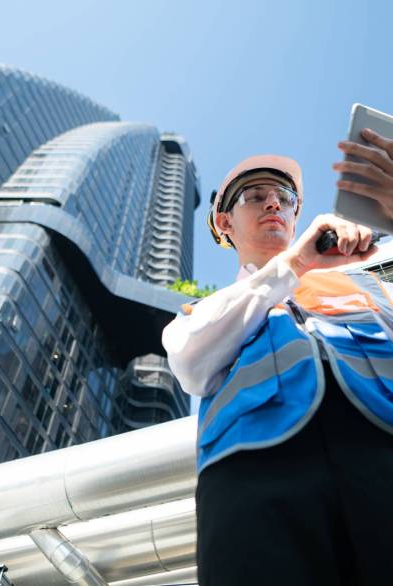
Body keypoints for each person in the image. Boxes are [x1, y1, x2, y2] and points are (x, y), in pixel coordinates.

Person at [162, 128, 393, 586]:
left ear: (295, 214)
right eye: (255, 196)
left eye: (284, 196)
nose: (273, 203)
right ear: (224, 223)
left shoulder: (372, 280)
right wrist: (293, 265)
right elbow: (189, 362)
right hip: (252, 474)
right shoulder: (205, 311)